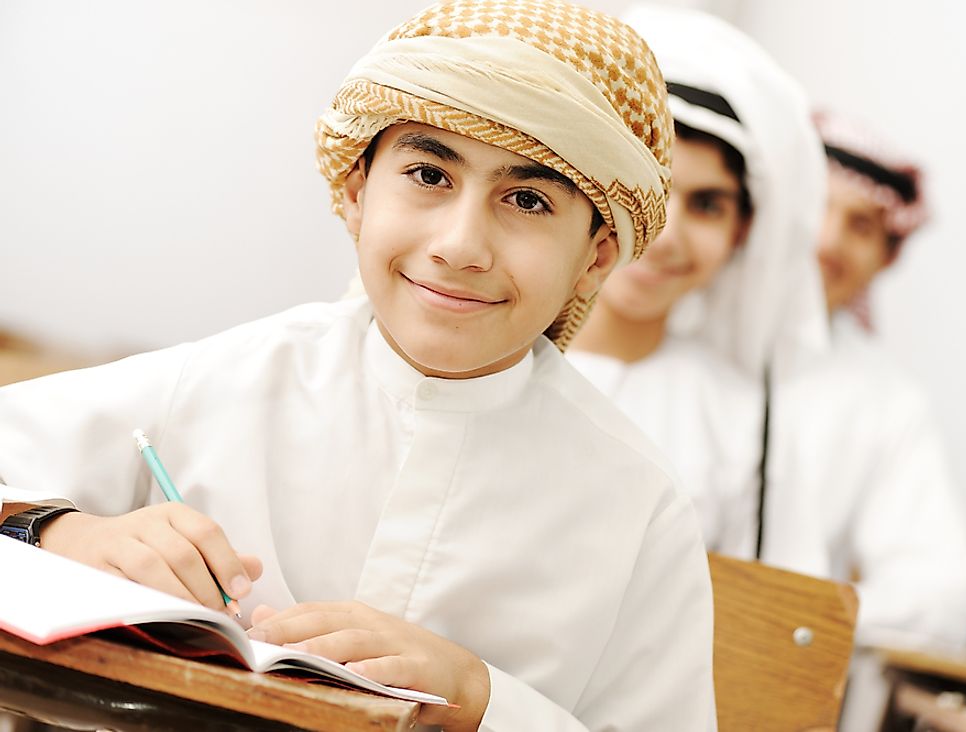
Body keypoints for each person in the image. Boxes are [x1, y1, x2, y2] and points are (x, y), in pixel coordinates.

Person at [0, 2, 717, 730]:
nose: (460, 245)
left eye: (527, 199)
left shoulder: (639, 509)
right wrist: (60, 532)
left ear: (596, 257)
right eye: (430, 174)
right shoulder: (226, 378)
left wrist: (481, 698)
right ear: (354, 192)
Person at [567, 5, 831, 573]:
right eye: (649, 189)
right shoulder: (479, 360)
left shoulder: (744, 425)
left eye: (707, 205)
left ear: (742, 233)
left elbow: (779, 626)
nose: (664, 237)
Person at [774, 110, 966, 649]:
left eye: (861, 226)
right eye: (815, 206)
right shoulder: (663, 325)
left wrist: (788, 617)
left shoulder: (886, 402)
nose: (828, 240)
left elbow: (947, 595)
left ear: (887, 257)